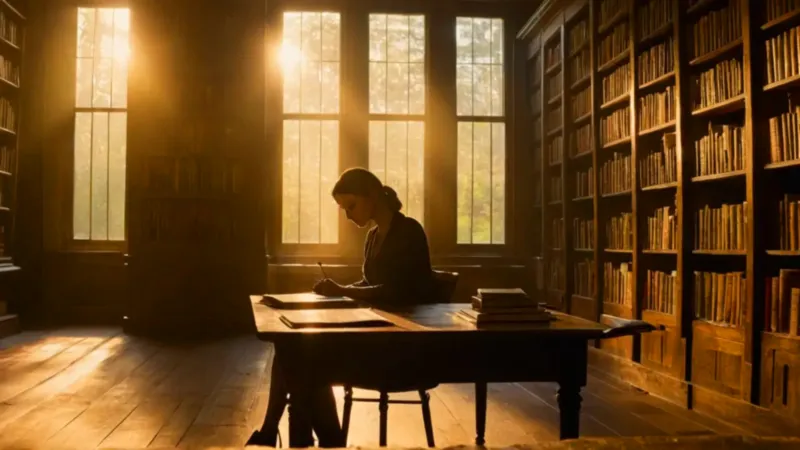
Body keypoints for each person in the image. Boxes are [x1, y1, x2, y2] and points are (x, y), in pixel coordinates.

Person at [249, 167, 435, 447]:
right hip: (374, 331)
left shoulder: (409, 231)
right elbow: (370, 284)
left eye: (351, 205)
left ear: (372, 195)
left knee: (302, 361)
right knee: (294, 350)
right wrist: (338, 290)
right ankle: (317, 439)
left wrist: (343, 291)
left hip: (401, 342)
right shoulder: (373, 237)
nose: (348, 215)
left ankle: (301, 437)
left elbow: (398, 292)